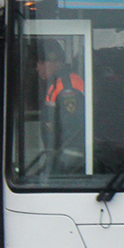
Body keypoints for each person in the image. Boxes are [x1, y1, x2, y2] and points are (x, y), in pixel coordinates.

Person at [35, 37, 85, 166]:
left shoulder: (67, 86)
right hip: (61, 153)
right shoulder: (55, 84)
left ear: (53, 62)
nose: (37, 68)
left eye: (40, 63)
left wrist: (60, 161)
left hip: (69, 157)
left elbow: (71, 129)